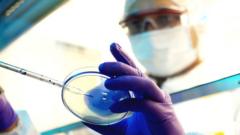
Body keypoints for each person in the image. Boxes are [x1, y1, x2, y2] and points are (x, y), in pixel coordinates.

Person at [84, 0, 201, 134]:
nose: (150, 33)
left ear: (193, 22)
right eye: (135, 23)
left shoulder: (223, 81)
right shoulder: (132, 93)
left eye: (164, 17)